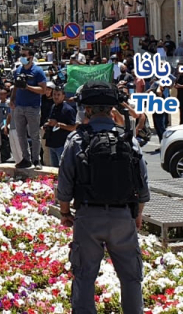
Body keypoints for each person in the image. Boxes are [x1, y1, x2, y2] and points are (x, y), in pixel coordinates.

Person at [56, 82, 149, 314]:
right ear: (112, 110)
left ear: (87, 110)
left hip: (88, 216)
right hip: (123, 217)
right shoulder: (127, 139)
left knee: (84, 276)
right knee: (131, 277)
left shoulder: (77, 139)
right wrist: (138, 214)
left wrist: (65, 212)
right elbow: (142, 182)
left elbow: (65, 183)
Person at [11, 46, 49, 169]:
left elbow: (43, 90)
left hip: (33, 107)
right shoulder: (18, 70)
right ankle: (25, 159)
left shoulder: (38, 71)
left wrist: (27, 87)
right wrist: (12, 99)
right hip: (19, 106)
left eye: (24, 55)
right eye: (21, 55)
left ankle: (36, 159)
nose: (22, 57)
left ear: (31, 57)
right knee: (20, 135)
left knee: (34, 135)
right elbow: (15, 86)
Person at [43, 84, 76, 168]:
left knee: (63, 169)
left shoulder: (68, 110)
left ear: (63, 96)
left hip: (62, 145)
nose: (56, 97)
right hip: (52, 143)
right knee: (53, 170)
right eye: (54, 94)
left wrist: (58, 124)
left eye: (58, 95)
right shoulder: (53, 106)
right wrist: (47, 125)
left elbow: (73, 128)